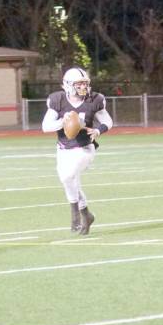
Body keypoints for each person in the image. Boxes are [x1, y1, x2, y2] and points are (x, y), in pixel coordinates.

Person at [41, 67, 113, 235]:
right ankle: (86, 214)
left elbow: (108, 121)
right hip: (63, 148)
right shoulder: (57, 100)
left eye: (85, 84)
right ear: (68, 85)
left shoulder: (95, 100)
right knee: (68, 180)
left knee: (68, 176)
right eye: (79, 84)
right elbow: (45, 127)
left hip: (85, 148)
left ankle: (74, 211)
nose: (83, 87)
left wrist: (98, 130)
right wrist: (63, 122)